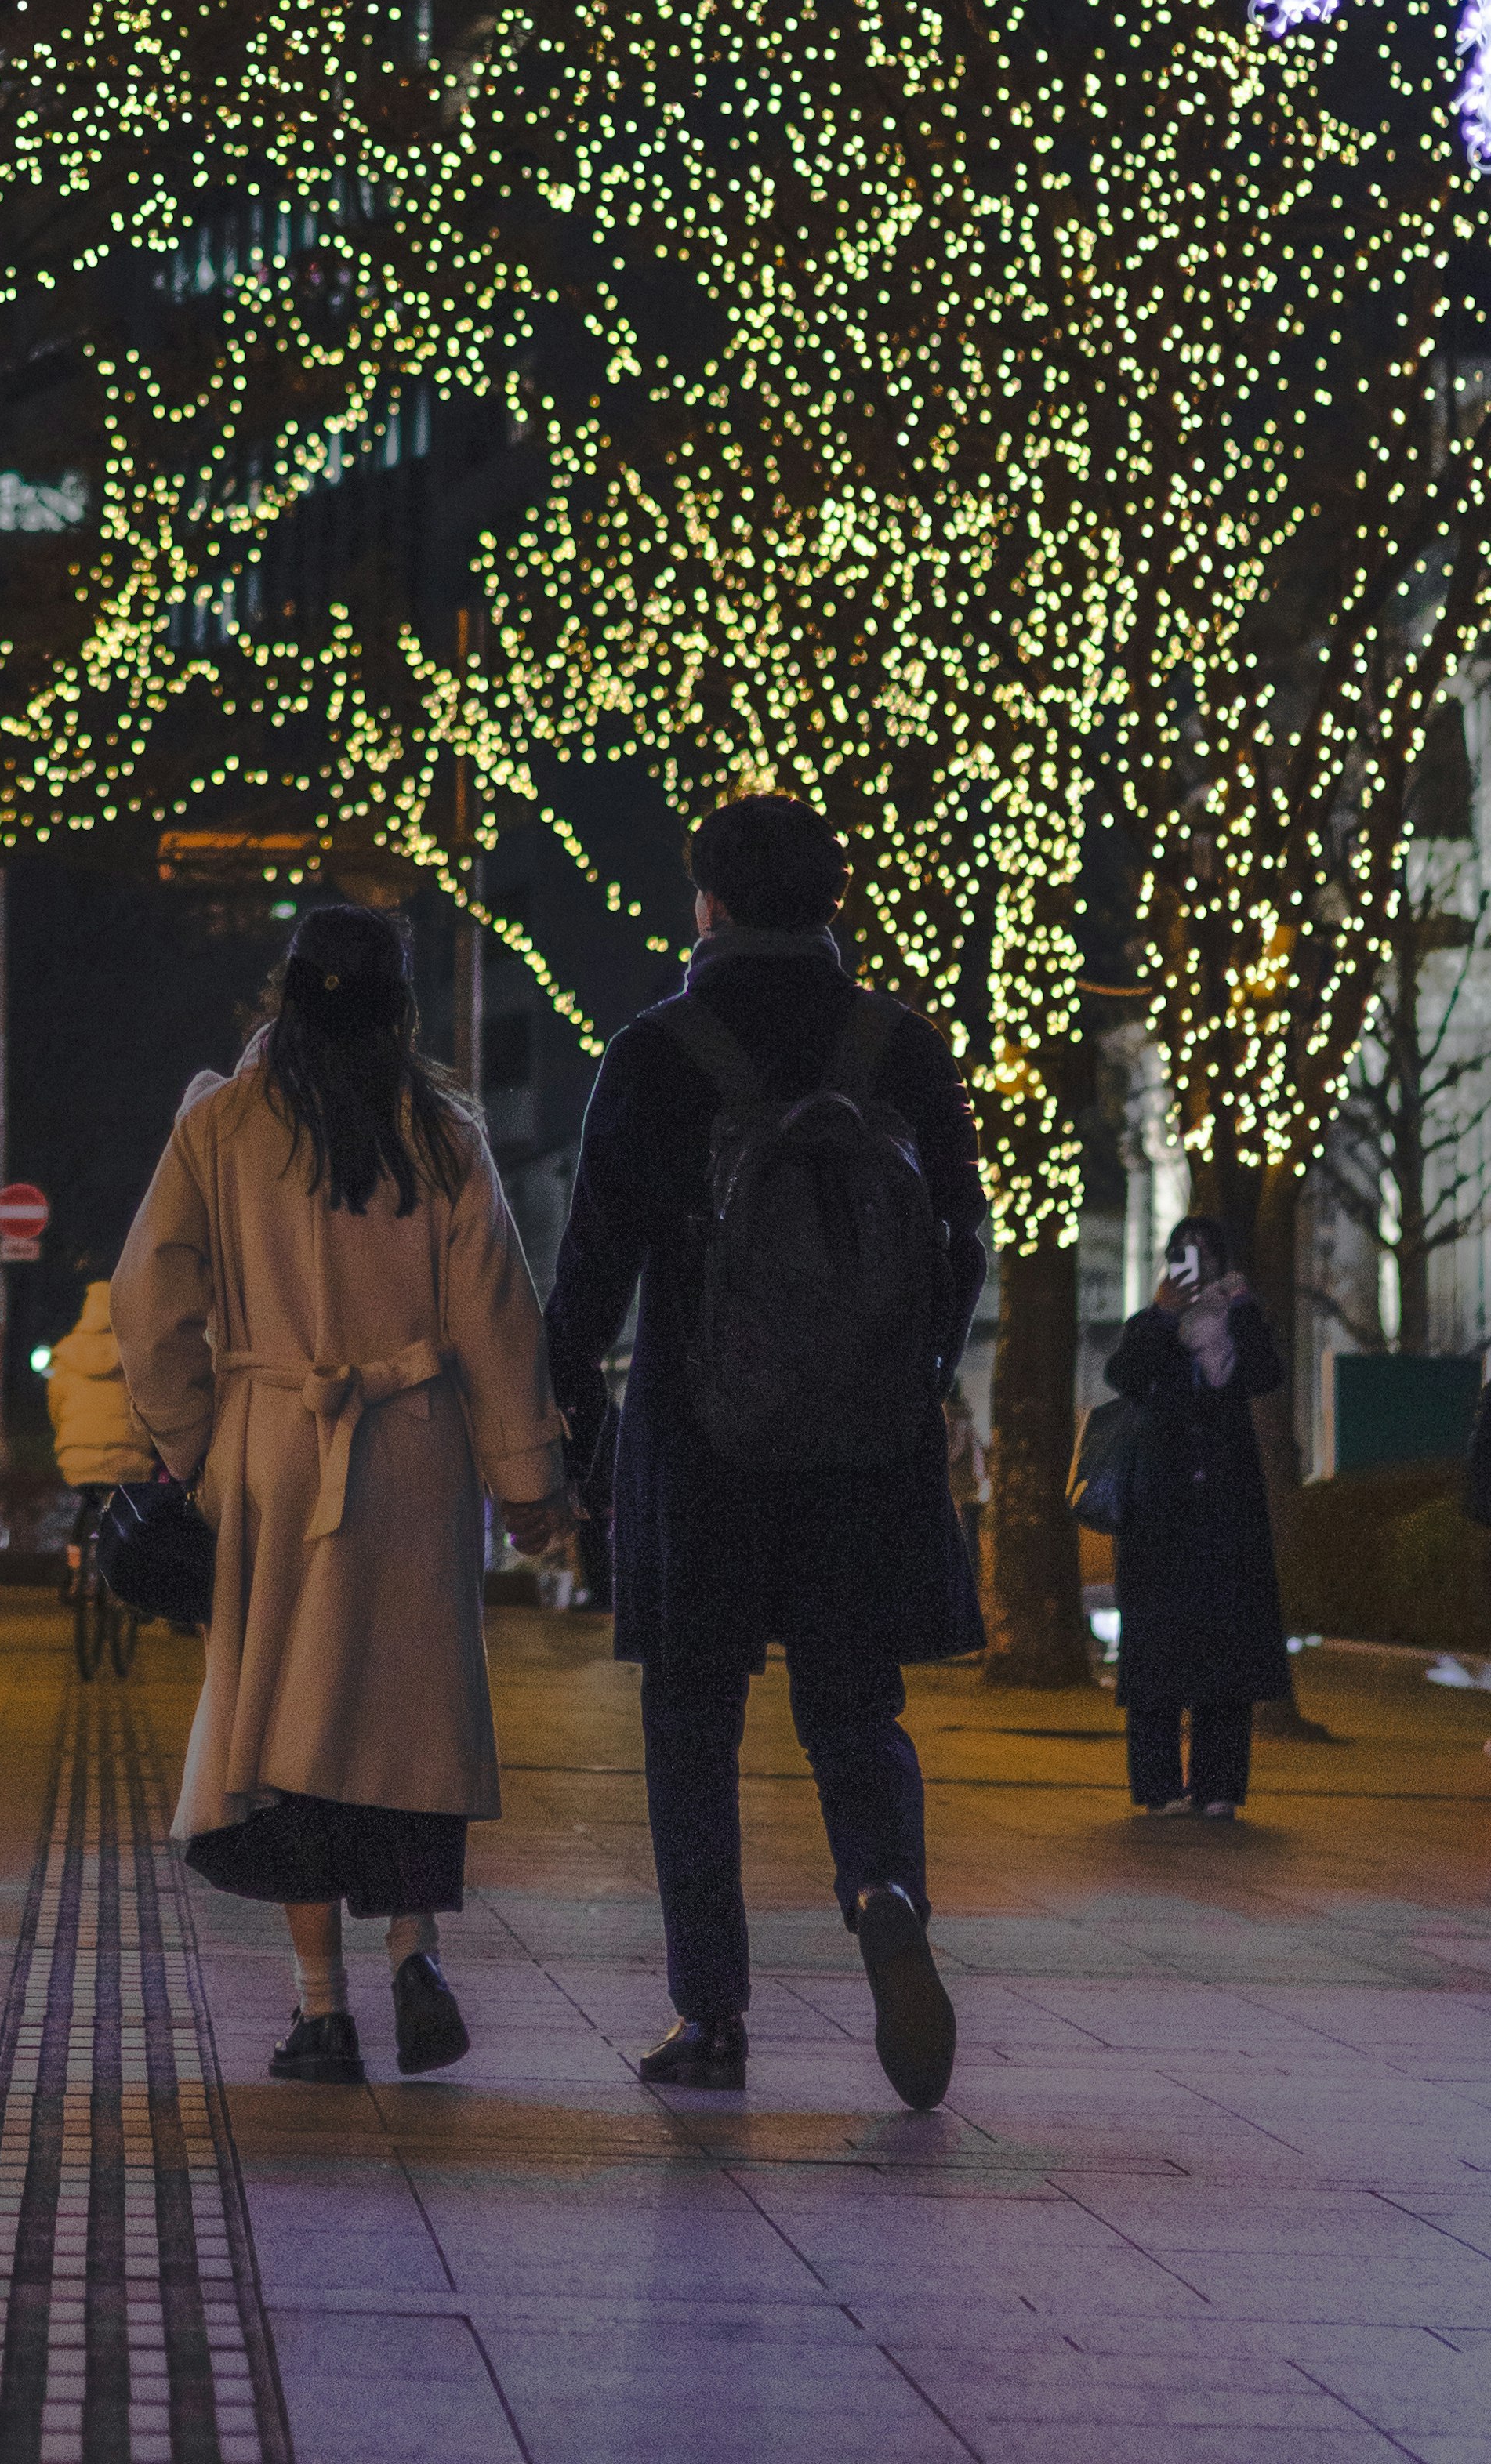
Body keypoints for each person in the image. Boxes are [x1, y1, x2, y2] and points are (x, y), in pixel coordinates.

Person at [546, 793, 987, 2111]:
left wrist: (568, 1420)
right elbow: (961, 1242)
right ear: (833, 901)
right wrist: (913, 1375)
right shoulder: (901, 1049)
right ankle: (884, 1892)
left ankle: (712, 2017)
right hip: (863, 1452)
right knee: (855, 1710)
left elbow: (591, 1273)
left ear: (711, 907)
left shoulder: (657, 1053)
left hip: (703, 1448)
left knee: (692, 1722)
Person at [111, 898, 569, 2087]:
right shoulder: (445, 1133)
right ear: (401, 1008)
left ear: (287, 994)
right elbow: (498, 1317)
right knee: (407, 1710)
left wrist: (192, 1441)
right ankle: (416, 1957)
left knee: (285, 1722)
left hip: (270, 1448)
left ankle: (321, 2012)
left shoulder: (220, 1126)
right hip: (414, 1450)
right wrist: (527, 1478)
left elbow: (148, 1296)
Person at [1105, 1216, 1290, 1816]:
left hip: (1226, 1512)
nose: (1196, 1262)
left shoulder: (1240, 1317)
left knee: (1226, 1651)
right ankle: (1158, 1786)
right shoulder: (1152, 1323)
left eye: (1206, 1252)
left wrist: (1239, 1309)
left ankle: (1219, 1786)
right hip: (1160, 1513)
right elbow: (1126, 1376)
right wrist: (1161, 1317)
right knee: (1157, 1649)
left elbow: (1265, 1374)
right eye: (1184, 1252)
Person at [44, 1262, 158, 1591]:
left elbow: (56, 1408)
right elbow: (147, 1404)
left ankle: (73, 1568)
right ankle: (129, 1583)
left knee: (84, 1507)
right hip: (127, 1458)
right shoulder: (135, 1354)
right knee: (128, 1513)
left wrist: (67, 1438)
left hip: (76, 1457)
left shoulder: (65, 1354)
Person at [941, 1378, 989, 1589]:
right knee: (970, 1536)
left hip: (959, 1488)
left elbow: (952, 1452)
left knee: (963, 1537)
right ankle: (973, 1579)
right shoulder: (966, 1415)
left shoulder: (951, 1417)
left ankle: (966, 1581)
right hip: (972, 1486)